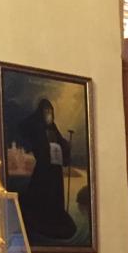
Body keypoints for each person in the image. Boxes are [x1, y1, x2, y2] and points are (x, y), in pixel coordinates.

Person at [18, 98, 76, 242]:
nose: (49, 114)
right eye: (46, 111)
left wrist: (66, 146)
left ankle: (55, 216)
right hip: (44, 169)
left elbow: (61, 142)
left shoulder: (53, 128)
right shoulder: (37, 126)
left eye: (50, 111)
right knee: (41, 193)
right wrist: (44, 148)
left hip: (55, 170)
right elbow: (36, 143)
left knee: (55, 194)